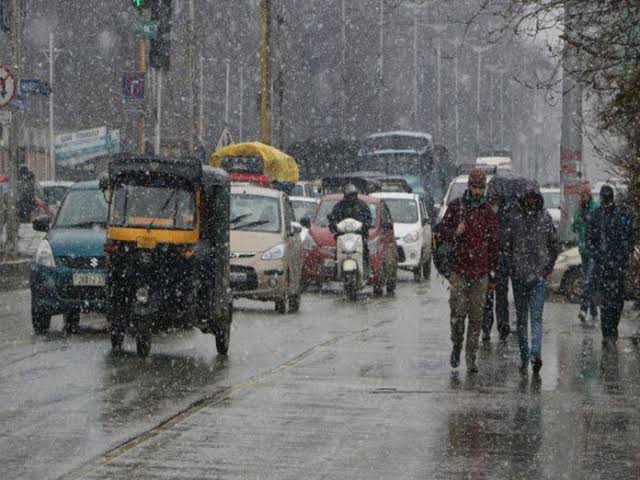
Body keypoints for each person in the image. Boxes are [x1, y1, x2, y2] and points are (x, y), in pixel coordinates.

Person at [436, 169, 499, 373]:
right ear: (469, 186)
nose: (478, 191)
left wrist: (492, 275)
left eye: (481, 187)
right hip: (460, 270)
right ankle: (456, 344)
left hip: (480, 272)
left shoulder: (488, 212)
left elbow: (494, 245)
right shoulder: (456, 207)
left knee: (476, 317)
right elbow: (441, 231)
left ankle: (471, 356)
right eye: (475, 186)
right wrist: (455, 232)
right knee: (457, 312)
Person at [505, 182, 558, 375]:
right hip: (520, 278)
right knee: (521, 320)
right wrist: (512, 268)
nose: (531, 201)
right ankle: (525, 355)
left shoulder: (545, 219)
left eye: (533, 198)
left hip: (537, 278)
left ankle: (535, 354)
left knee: (535, 318)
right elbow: (507, 247)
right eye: (528, 197)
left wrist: (547, 268)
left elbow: (554, 245)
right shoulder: (515, 219)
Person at [588, 185, 635, 346]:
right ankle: (607, 333)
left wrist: (623, 256)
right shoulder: (596, 215)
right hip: (603, 267)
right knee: (606, 303)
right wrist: (599, 256)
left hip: (617, 267)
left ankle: (611, 330)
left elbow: (629, 236)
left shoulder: (621, 214)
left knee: (616, 302)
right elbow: (590, 240)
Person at [328, 183, 373, 271]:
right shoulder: (339, 206)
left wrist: (365, 226)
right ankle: (336, 268)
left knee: (364, 249)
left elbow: (369, 218)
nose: (351, 197)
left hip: (359, 234)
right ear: (345, 195)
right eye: (350, 195)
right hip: (343, 235)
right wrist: (333, 224)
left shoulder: (362, 206)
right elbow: (333, 217)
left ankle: (366, 267)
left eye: (353, 195)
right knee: (338, 251)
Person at [572, 182, 599, 322]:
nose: (582, 198)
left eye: (584, 195)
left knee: (588, 280)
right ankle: (593, 306)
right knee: (589, 281)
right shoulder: (580, 209)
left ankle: (583, 309)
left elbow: (600, 226)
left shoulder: (595, 208)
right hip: (583, 250)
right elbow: (574, 228)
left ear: (589, 195)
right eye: (580, 196)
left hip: (594, 250)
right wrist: (578, 219)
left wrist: (590, 221)